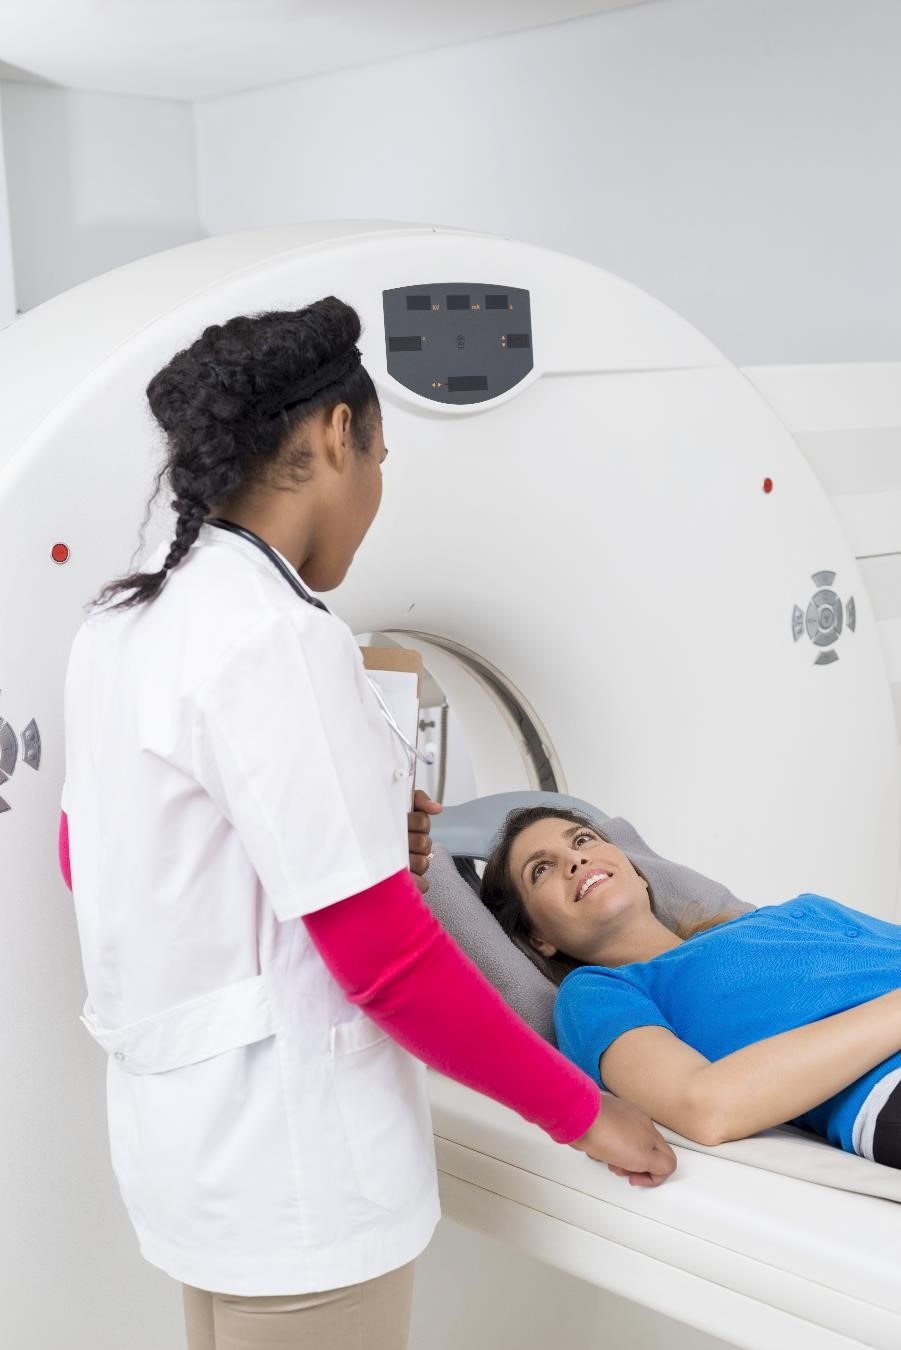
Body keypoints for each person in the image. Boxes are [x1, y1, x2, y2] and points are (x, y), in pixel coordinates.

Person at [58, 298, 675, 1350]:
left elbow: (100, 862)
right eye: (380, 455)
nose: (377, 490)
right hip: (297, 1168)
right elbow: (387, 965)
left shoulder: (126, 622)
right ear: (337, 436)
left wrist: (344, 845)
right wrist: (587, 1113)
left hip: (191, 1155)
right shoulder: (274, 641)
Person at [480, 805, 901, 1171]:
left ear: (638, 875)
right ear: (539, 940)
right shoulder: (598, 992)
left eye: (583, 839)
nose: (575, 860)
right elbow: (705, 1105)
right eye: (541, 869)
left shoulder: (800, 911)